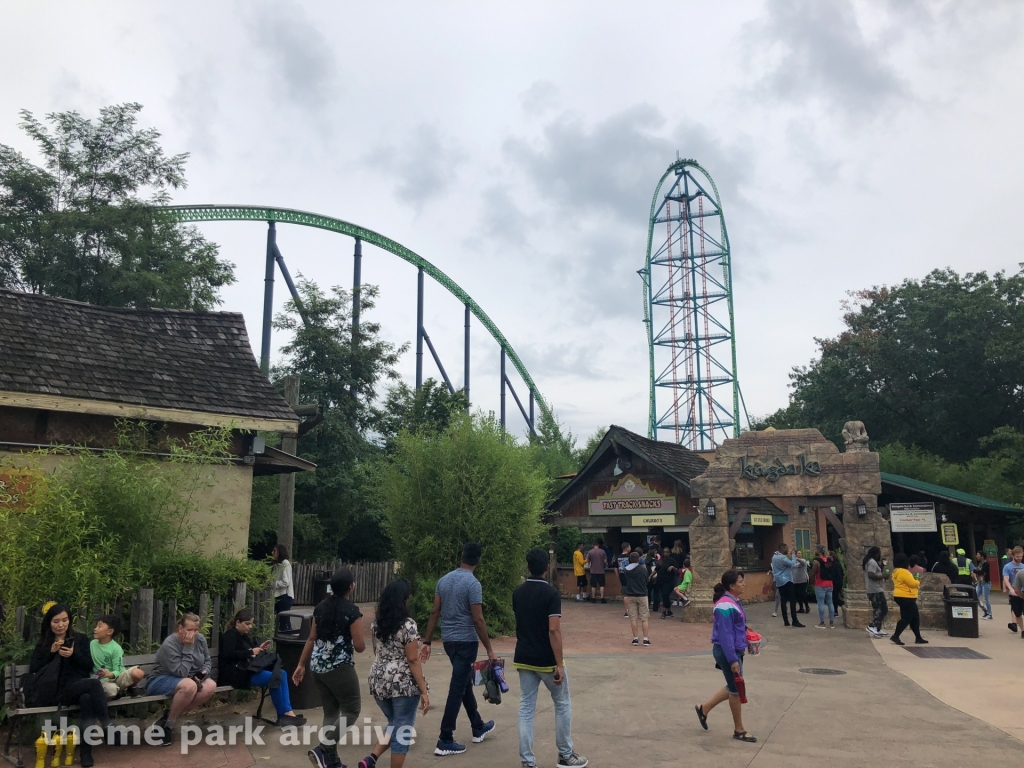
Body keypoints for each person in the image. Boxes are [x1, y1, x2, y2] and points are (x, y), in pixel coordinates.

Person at [513, 548, 589, 768]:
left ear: (528, 567)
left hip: (524, 657)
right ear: (547, 567)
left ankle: (527, 761)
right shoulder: (551, 594)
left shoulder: (517, 592)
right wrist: (559, 664)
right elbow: (553, 630)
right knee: (562, 704)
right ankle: (565, 754)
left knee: (526, 708)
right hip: (546, 659)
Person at [421, 542, 497, 756]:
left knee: (463, 683)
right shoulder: (473, 584)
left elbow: (435, 612)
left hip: (449, 641)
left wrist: (427, 641)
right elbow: (477, 618)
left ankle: (478, 725)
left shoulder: (443, 580)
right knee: (457, 687)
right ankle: (445, 738)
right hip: (466, 642)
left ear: (462, 556)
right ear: (478, 561)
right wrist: (489, 649)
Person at [294, 568, 367, 768]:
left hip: (317, 666)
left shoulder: (320, 607)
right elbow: (360, 647)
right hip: (339, 667)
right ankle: (324, 748)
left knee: (331, 713)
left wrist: (301, 664)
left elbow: (311, 638)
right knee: (352, 710)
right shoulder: (351, 611)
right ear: (351, 587)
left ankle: (332, 762)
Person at [357, 579, 430, 768]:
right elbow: (413, 660)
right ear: (404, 600)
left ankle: (371, 759)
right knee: (403, 730)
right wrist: (423, 690)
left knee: (395, 722)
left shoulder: (376, 625)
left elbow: (376, 651)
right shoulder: (408, 626)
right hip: (402, 684)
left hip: (378, 679)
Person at [29, 603, 111, 767]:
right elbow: (35, 671)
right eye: (56, 621)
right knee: (94, 685)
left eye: (64, 620)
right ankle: (108, 727)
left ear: (69, 620)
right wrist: (51, 654)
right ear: (49, 623)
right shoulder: (44, 643)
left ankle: (86, 754)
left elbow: (88, 666)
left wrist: (73, 655)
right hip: (54, 691)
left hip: (76, 687)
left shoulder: (80, 639)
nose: (61, 625)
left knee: (87, 698)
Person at [694, 571, 756, 744]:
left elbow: (733, 628)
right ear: (731, 586)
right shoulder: (724, 605)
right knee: (736, 690)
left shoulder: (732, 602)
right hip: (728, 651)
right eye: (741, 582)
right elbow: (725, 635)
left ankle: (703, 709)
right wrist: (733, 660)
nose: (743, 584)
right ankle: (739, 729)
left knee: (731, 686)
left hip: (733, 650)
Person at [219, 608, 305, 726]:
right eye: (247, 624)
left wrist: (259, 648)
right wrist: (251, 652)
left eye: (251, 624)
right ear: (238, 623)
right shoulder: (230, 635)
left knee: (282, 673)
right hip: (235, 674)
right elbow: (229, 655)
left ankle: (287, 712)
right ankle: (283, 715)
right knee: (275, 677)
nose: (250, 627)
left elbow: (248, 651)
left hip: (246, 670)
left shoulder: (243, 635)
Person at [147, 613, 218, 747]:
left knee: (211, 685)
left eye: (196, 630)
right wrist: (188, 647)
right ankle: (169, 726)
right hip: (160, 680)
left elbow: (207, 660)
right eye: (189, 630)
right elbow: (181, 672)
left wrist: (204, 672)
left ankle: (167, 718)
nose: (193, 634)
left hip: (189, 678)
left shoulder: (200, 639)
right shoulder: (170, 644)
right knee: (189, 686)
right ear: (180, 628)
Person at [91, 614, 144, 699]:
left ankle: (131, 687)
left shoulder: (116, 648)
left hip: (117, 677)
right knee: (111, 691)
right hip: (102, 681)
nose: (95, 629)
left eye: (99, 626)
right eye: (96, 626)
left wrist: (110, 674)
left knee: (138, 673)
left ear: (110, 632)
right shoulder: (92, 644)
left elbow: (118, 670)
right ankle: (116, 693)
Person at [890, 553, 928, 646]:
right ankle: (895, 635)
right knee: (907, 618)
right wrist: (918, 581)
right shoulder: (904, 572)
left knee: (914, 617)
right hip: (907, 596)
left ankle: (918, 637)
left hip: (900, 595)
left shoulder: (896, 571)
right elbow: (912, 583)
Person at [771, 544, 804, 628]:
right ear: (782, 548)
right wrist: (793, 554)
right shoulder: (782, 558)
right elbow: (792, 563)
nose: (787, 550)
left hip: (779, 581)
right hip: (787, 580)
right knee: (792, 600)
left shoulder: (774, 557)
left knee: (783, 600)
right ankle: (795, 620)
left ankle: (786, 621)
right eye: (786, 548)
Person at [622, 552, 651, 646]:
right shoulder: (643, 570)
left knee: (633, 618)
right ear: (639, 559)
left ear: (630, 559)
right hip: (642, 594)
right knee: (644, 618)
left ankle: (635, 638)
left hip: (631, 595)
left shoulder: (626, 570)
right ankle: (645, 639)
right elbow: (646, 580)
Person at [863, 547, 889, 638]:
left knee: (877, 609)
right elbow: (871, 575)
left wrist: (881, 566)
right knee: (883, 609)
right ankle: (872, 625)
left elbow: (875, 572)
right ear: (876, 553)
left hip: (873, 589)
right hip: (875, 590)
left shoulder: (871, 562)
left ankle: (877, 629)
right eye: (879, 553)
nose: (880, 555)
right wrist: (883, 576)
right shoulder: (872, 562)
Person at [809, 545, 836, 629]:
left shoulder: (816, 561)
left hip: (820, 583)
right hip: (830, 583)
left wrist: (812, 583)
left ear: (819, 551)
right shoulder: (830, 560)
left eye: (816, 549)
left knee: (820, 603)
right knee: (830, 603)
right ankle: (831, 623)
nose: (815, 551)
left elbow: (813, 573)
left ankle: (822, 622)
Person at [271, 544, 295, 632]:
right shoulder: (278, 564)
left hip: (284, 596)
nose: (272, 553)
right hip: (278, 595)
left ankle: (286, 637)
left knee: (284, 621)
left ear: (280, 552)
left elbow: (286, 582)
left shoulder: (285, 563)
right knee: (280, 620)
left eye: (274, 551)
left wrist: (273, 583)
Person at [1002, 546, 1024, 633]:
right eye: (1017, 556)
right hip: (1014, 593)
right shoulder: (1007, 567)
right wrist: (1011, 589)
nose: (1019, 558)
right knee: (1017, 613)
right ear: (1013, 556)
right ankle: (1023, 630)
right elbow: (1006, 579)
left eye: (1021, 556)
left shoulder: (1023, 566)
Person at [657, 547, 679, 619]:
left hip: (669, 581)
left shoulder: (672, 560)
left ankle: (664, 611)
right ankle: (669, 611)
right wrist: (650, 576)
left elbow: (677, 570)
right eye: (664, 552)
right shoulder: (661, 560)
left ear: (669, 553)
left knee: (665, 594)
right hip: (661, 580)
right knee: (665, 596)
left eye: (667, 552)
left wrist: (672, 567)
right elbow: (656, 569)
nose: (665, 553)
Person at [974, 552, 993, 620]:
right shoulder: (980, 564)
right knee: (975, 596)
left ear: (982, 556)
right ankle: (985, 611)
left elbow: (981, 572)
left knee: (986, 599)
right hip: (980, 583)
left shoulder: (986, 564)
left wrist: (976, 571)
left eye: (978, 555)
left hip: (986, 583)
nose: (976, 556)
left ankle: (990, 614)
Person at [617, 542, 632, 617]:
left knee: (625, 594)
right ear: (627, 548)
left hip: (622, 576)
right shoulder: (630, 557)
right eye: (629, 547)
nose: (630, 548)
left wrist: (618, 576)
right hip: (630, 577)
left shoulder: (618, 557)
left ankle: (627, 611)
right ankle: (632, 610)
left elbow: (615, 568)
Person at [829, 550, 846, 619]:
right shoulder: (835, 563)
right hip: (837, 582)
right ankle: (835, 611)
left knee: (834, 598)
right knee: (834, 597)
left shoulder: (835, 564)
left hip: (836, 583)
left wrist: (836, 581)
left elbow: (838, 574)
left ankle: (837, 609)